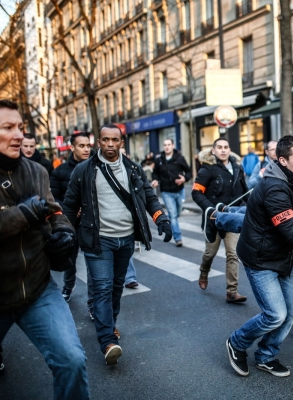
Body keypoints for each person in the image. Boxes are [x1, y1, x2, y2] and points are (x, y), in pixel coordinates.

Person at [0, 99, 90, 398]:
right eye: (8, 128)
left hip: (37, 289)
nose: (18, 135)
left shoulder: (37, 171)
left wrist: (64, 232)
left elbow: (54, 211)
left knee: (72, 360)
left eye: (21, 128)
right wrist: (23, 214)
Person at [63, 124, 172, 365]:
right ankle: (107, 341)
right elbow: (70, 205)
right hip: (98, 240)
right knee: (102, 287)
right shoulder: (84, 170)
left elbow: (148, 196)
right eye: (105, 140)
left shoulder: (133, 168)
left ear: (121, 142)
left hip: (126, 240)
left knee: (116, 286)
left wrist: (160, 218)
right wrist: (65, 233)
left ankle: (109, 324)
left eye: (115, 140)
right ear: (98, 142)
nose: (110, 144)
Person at [226, 135, 293, 377]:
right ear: (282, 160)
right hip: (261, 260)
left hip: (282, 257)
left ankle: (266, 356)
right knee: (275, 314)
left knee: (290, 314)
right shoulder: (274, 188)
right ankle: (237, 342)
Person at [192, 138, 248, 303]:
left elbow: (245, 192)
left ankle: (232, 291)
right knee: (210, 254)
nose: (223, 150)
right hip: (213, 219)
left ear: (230, 150)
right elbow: (196, 193)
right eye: (219, 147)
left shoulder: (238, 168)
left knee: (233, 254)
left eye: (226, 147)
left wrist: (254, 207)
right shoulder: (207, 169)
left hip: (232, 218)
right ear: (214, 151)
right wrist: (210, 209)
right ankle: (204, 271)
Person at [50, 131, 92, 303]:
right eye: (81, 146)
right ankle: (69, 285)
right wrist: (71, 210)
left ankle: (93, 301)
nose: (86, 149)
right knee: (70, 259)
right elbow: (54, 197)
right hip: (71, 222)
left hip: (91, 224)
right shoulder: (60, 171)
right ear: (72, 147)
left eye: (88, 145)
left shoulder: (96, 167)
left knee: (93, 264)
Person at [151, 138, 192, 247]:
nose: (167, 147)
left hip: (179, 190)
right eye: (165, 145)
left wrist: (185, 178)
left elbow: (189, 171)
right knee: (173, 215)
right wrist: (155, 180)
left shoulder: (179, 158)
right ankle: (178, 238)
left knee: (177, 213)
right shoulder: (159, 159)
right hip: (166, 191)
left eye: (169, 144)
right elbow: (155, 173)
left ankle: (169, 217)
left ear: (173, 145)